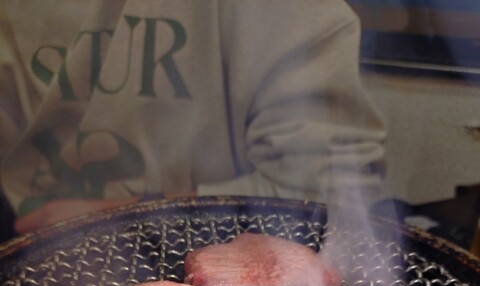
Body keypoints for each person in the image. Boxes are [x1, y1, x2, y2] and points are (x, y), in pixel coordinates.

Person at [0, 0, 385, 235]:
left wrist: (112, 215)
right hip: (24, 233)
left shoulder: (287, 12)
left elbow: (332, 189)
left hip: (228, 243)